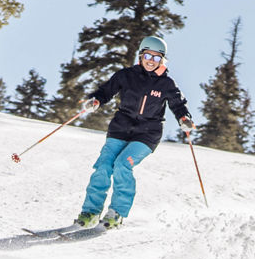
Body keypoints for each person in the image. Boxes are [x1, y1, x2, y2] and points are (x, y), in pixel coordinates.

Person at [74, 35, 194, 229]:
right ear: (141, 56)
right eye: (148, 55)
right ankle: (90, 212)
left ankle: (116, 213)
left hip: (147, 134)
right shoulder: (126, 75)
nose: (151, 61)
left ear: (162, 60)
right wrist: (95, 100)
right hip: (120, 128)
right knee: (104, 165)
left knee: (122, 165)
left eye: (156, 58)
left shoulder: (167, 84)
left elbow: (178, 105)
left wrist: (184, 119)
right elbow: (105, 91)